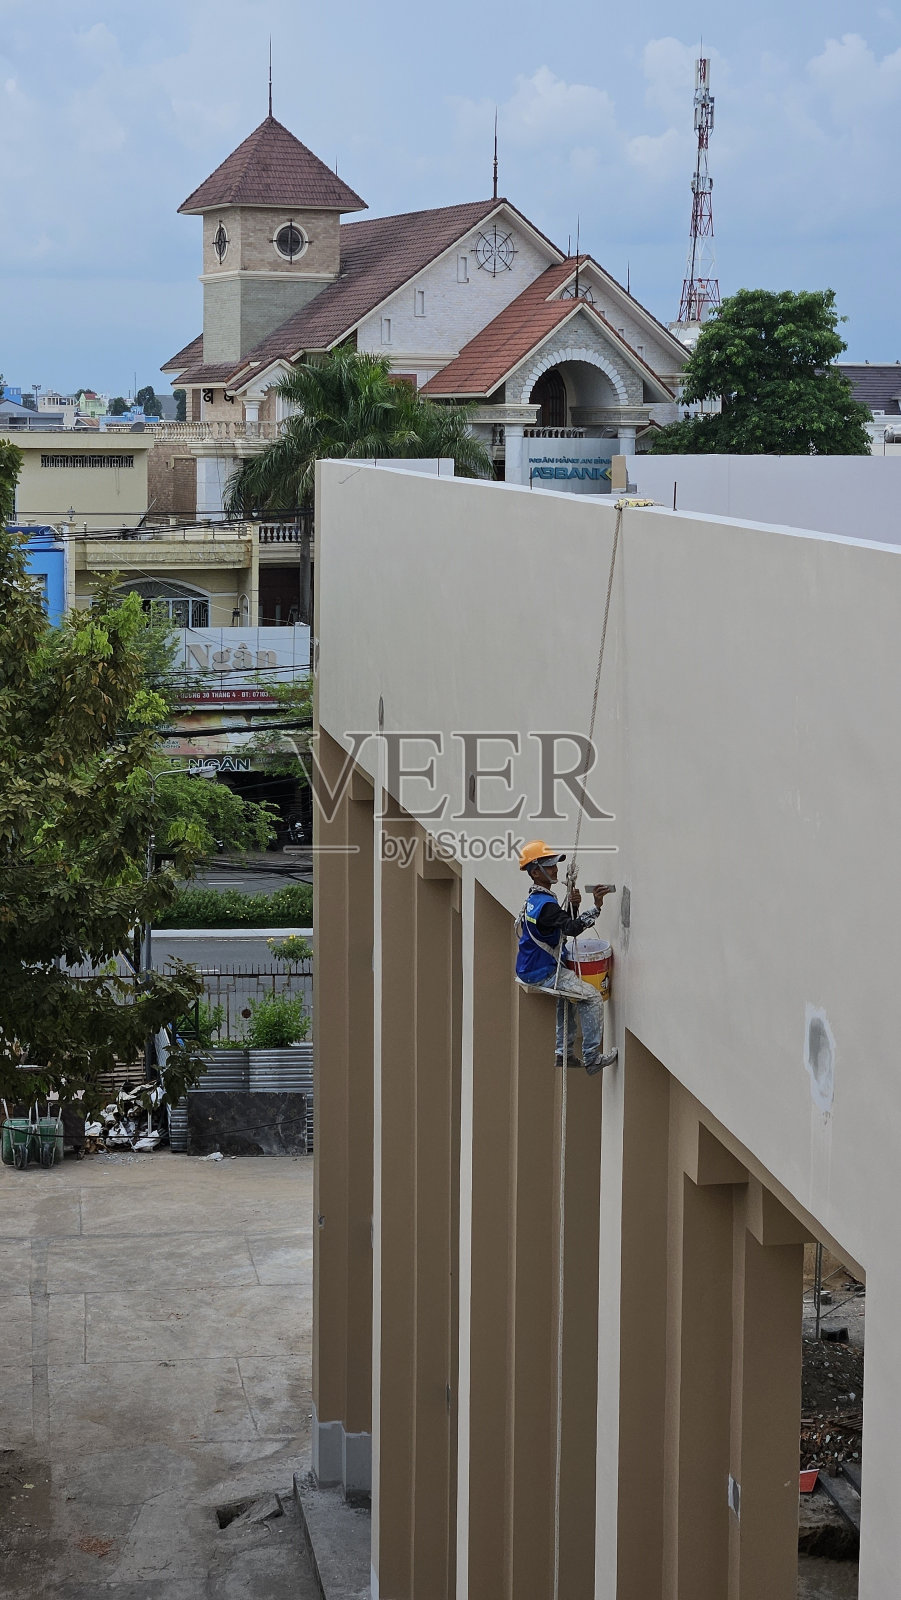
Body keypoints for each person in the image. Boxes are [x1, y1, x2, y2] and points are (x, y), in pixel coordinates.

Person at [514, 840, 618, 1075]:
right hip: (543, 971)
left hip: (531, 967)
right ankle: (592, 1057)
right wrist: (596, 907)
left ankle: (563, 1053)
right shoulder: (546, 906)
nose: (555, 869)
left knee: (568, 996)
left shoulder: (535, 901)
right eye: (549, 865)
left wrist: (574, 908)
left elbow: (558, 926)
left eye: (554, 864)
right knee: (590, 997)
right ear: (535, 872)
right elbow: (570, 929)